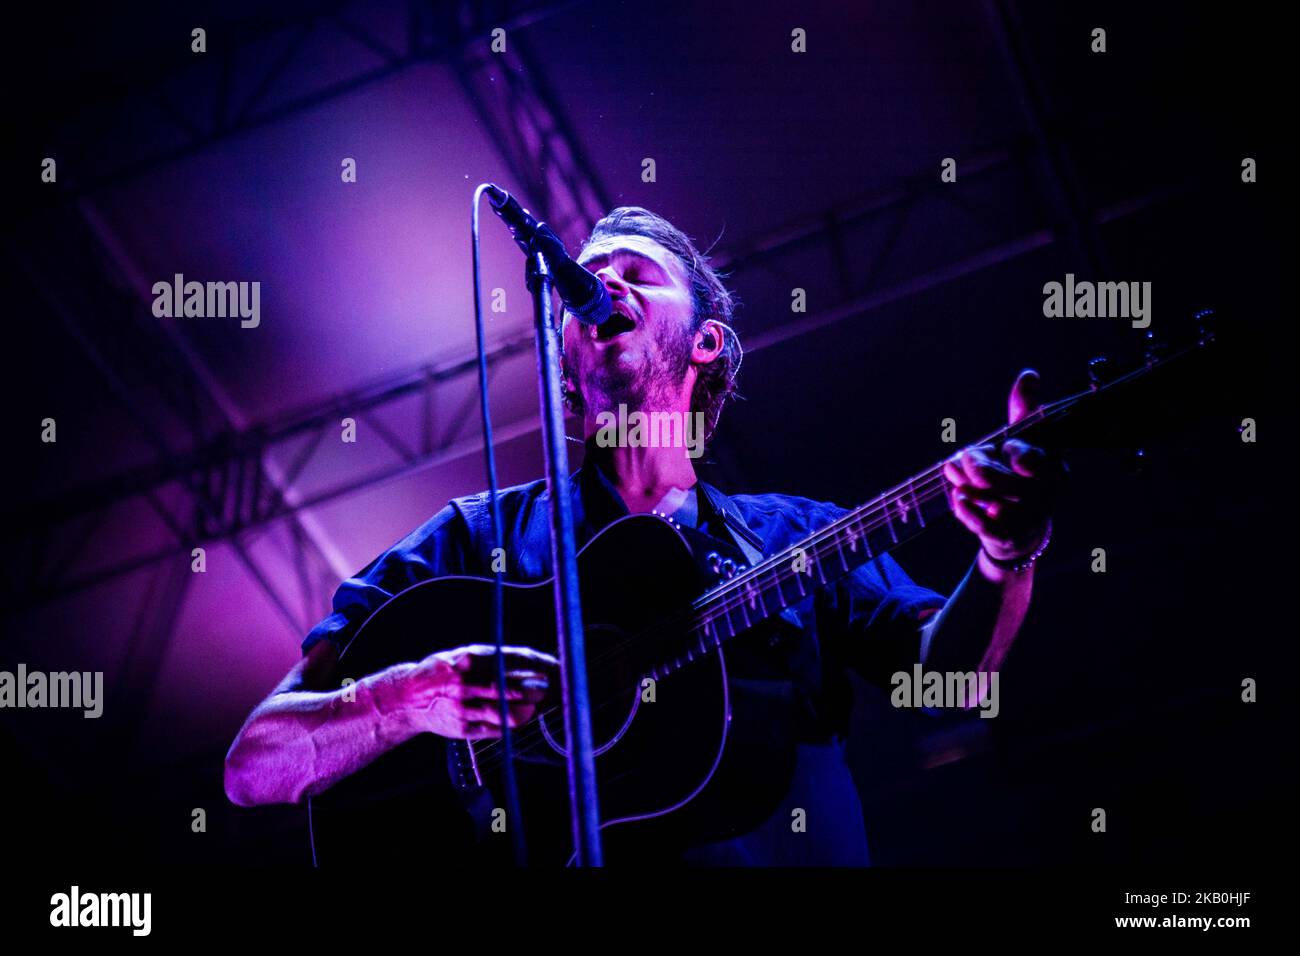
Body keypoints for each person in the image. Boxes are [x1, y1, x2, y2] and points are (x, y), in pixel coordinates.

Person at [224, 207, 1061, 865]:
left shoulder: (799, 537)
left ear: (704, 341)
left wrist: (1005, 555)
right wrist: (409, 698)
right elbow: (256, 763)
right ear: (564, 346)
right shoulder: (468, 545)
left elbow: (949, 685)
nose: (602, 289)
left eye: (638, 275)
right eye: (585, 281)